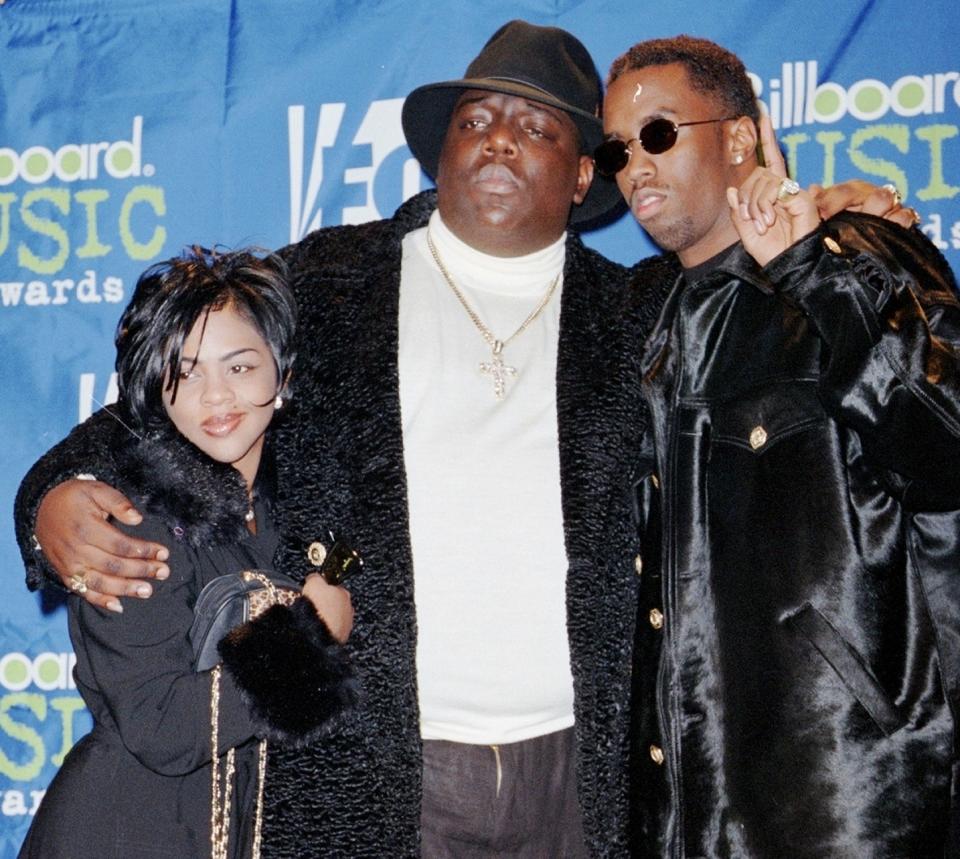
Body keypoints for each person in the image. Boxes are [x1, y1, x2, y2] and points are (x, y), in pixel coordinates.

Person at [13, 21, 913, 858]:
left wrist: (832, 227)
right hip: (369, 760)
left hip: (575, 768)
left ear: (581, 179)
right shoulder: (328, 282)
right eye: (477, 118)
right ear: (439, 151)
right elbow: (165, 402)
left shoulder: (637, 314)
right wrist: (52, 493)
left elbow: (760, 300)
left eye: (537, 127)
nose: (499, 137)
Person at [597, 35, 960, 857]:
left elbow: (944, 447)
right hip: (691, 814)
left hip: (851, 798)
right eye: (616, 148)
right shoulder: (647, 318)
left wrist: (808, 269)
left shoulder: (855, 255)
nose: (636, 168)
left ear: (740, 136)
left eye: (659, 134)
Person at [18, 248, 355, 859]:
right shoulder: (131, 521)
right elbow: (158, 724)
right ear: (156, 386)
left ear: (281, 374)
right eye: (187, 371)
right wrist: (310, 638)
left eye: (240, 366)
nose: (216, 396)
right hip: (125, 834)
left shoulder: (297, 508)